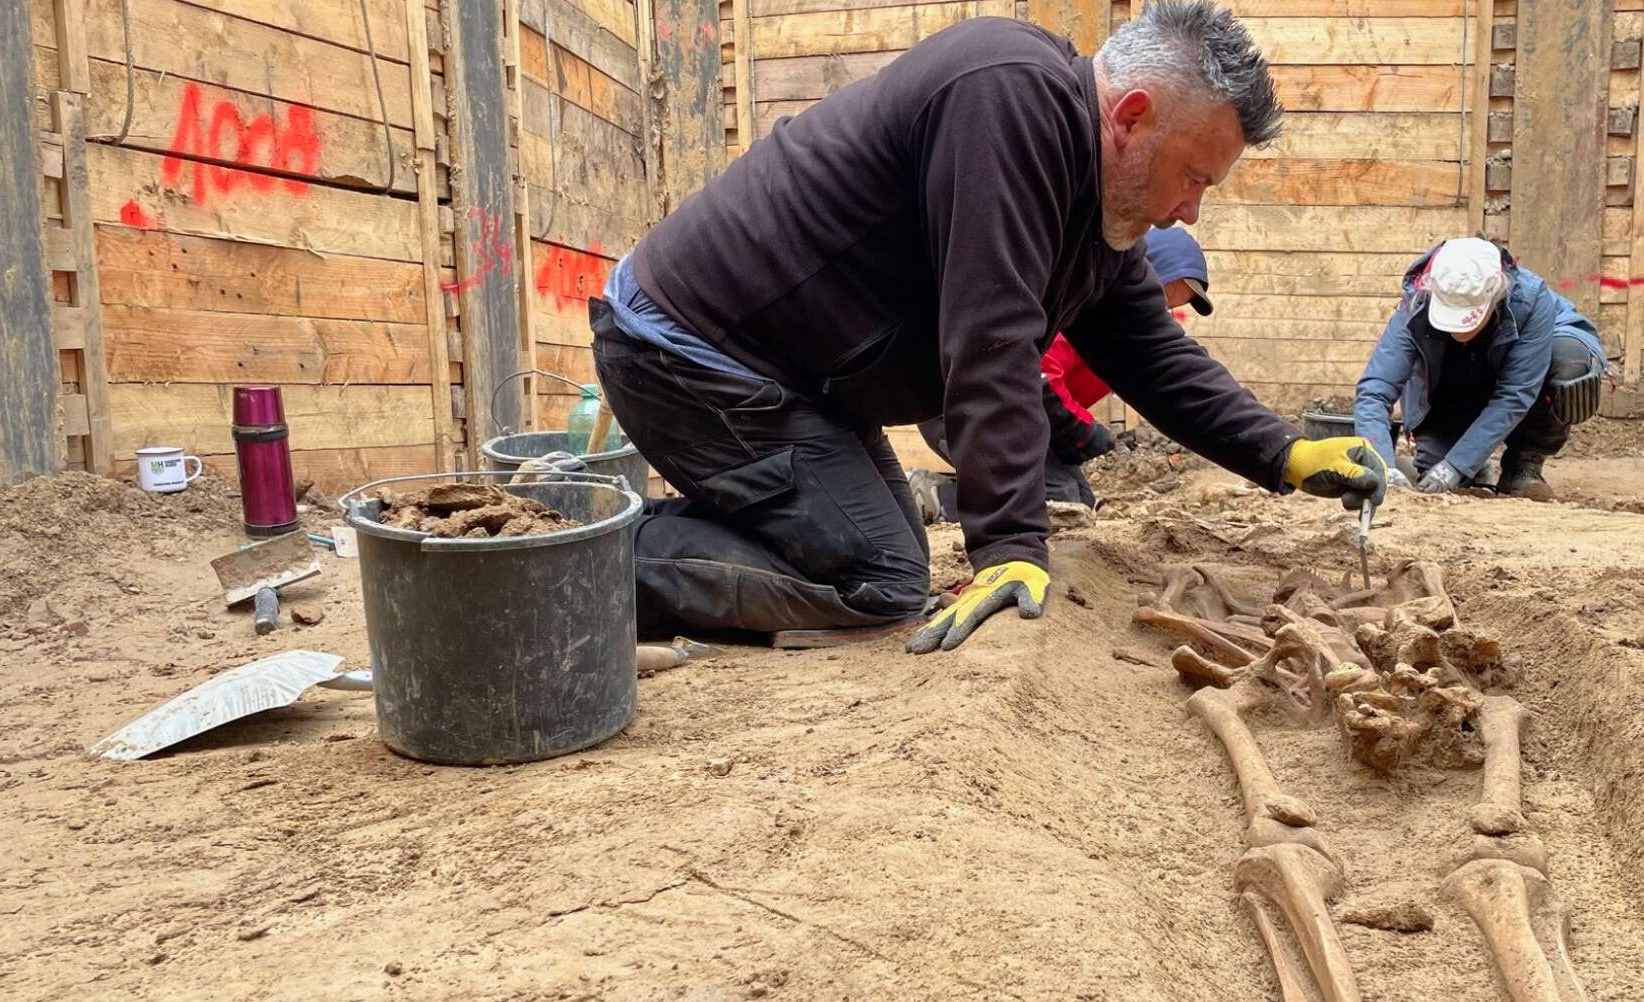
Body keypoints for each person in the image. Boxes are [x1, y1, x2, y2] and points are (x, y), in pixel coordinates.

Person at [590, 2, 1385, 655]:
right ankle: (567, 569)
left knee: (880, 550)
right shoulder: (1004, 96)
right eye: (1193, 176)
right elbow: (990, 335)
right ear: (1133, 117)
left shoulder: (1094, 206)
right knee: (881, 580)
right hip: (687, 351)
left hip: (788, 377)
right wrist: (1009, 546)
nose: (1190, 210)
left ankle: (605, 538)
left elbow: (1150, 351)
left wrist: (1282, 452)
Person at [908, 225, 1217, 522]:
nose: (1157, 315)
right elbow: (1038, 373)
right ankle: (934, 499)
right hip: (961, 406)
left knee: (1079, 501)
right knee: (1055, 500)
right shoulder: (1082, 304)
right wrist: (1080, 431)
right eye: (1158, 300)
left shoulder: (1125, 329)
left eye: (1166, 309)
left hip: (1016, 413)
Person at [1352, 237, 1606, 500]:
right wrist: (1382, 465)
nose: (1456, 329)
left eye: (1467, 316)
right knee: (1437, 472)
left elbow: (1515, 394)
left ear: (1495, 295)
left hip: (1518, 366)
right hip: (1452, 379)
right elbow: (1374, 390)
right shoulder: (1417, 302)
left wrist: (1455, 466)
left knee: (1570, 367)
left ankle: (1523, 465)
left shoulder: (1531, 299)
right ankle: (1469, 461)